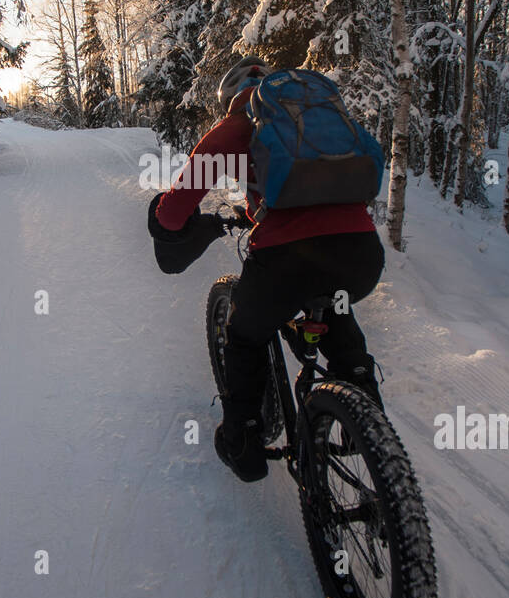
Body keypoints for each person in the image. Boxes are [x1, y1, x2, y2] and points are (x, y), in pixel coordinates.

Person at [147, 57, 386, 483]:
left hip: (285, 260)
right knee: (335, 306)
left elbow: (178, 205)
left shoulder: (239, 122)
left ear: (231, 97)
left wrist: (165, 221)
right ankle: (367, 413)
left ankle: (245, 437)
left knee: (244, 334)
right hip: (361, 253)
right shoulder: (311, 117)